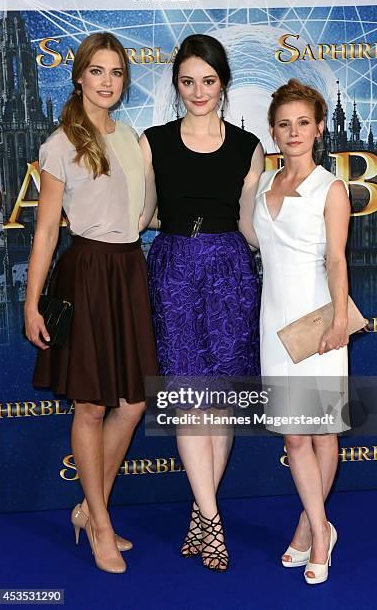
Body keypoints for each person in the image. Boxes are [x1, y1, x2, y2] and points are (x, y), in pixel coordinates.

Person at [24, 32, 157, 574]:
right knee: (91, 405)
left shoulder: (134, 139)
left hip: (128, 271)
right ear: (79, 76)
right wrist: (32, 304)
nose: (107, 82)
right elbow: (45, 235)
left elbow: (144, 215)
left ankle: (87, 506)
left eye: (117, 73)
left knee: (133, 402)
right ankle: (100, 525)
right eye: (98, 71)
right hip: (86, 274)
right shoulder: (59, 144)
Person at [139, 34, 264, 571]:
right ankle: (212, 521)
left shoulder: (248, 146)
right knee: (189, 395)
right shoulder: (153, 141)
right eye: (188, 82)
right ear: (176, 84)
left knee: (223, 401)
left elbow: (249, 225)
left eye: (208, 81)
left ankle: (201, 513)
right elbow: (143, 216)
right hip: (172, 269)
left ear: (223, 83)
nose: (198, 91)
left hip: (232, 271)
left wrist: (309, 251)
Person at [252, 79, 350, 584]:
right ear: (273, 131)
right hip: (274, 325)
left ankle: (314, 533)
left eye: (303, 123)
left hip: (317, 322)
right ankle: (318, 527)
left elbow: (336, 259)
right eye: (284, 124)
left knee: (322, 432)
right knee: (295, 439)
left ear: (318, 128)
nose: (293, 132)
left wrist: (337, 320)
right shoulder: (264, 188)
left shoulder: (329, 188)